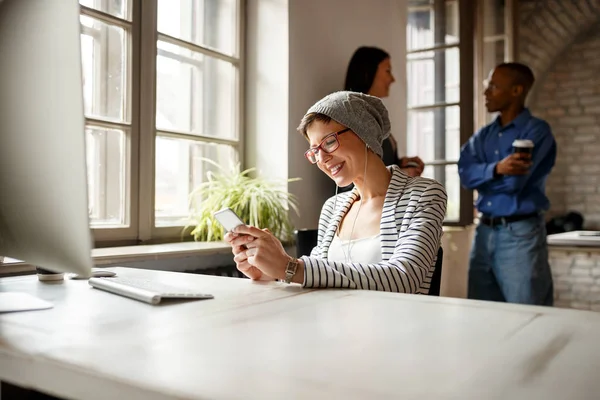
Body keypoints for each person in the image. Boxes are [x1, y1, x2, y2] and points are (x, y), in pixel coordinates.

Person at [225, 91, 447, 293]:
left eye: (329, 142)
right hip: (333, 329)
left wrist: (289, 267)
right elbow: (317, 277)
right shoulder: (333, 207)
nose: (321, 158)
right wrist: (269, 274)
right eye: (314, 151)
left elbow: (404, 279)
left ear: (364, 132)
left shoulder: (425, 195)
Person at [458, 62, 556, 306]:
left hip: (520, 235)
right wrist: (497, 169)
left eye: (493, 86)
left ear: (516, 91)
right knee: (481, 314)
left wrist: (484, 178)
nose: (486, 92)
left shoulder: (537, 132)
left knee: (528, 316)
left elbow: (514, 184)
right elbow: (465, 175)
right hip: (483, 233)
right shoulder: (484, 135)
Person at [344, 46, 424, 176]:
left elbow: (377, 163)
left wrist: (399, 164)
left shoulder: (372, 115)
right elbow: (355, 176)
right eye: (388, 71)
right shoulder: (353, 119)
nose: (392, 79)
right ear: (367, 73)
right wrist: (402, 174)